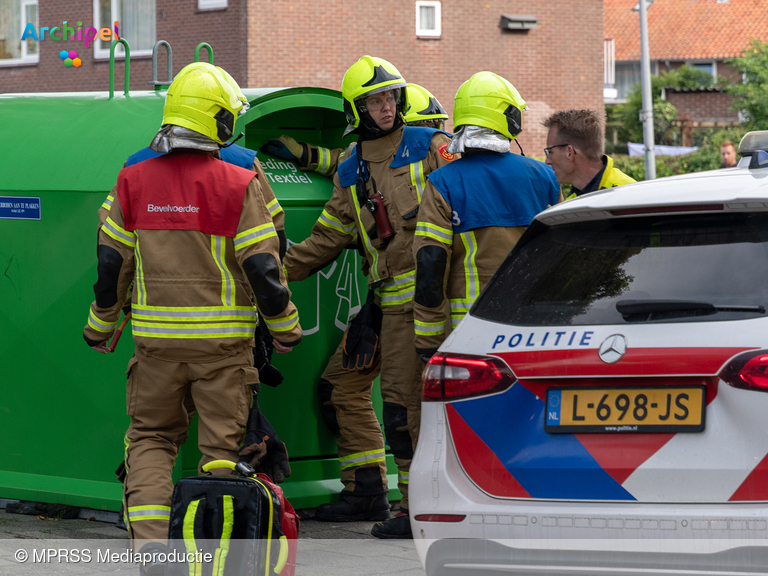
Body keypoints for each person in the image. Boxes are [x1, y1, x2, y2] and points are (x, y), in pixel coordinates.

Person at [82, 63, 302, 564]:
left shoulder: (133, 179)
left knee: (151, 441)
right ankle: (215, 559)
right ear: (219, 122)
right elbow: (264, 266)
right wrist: (286, 328)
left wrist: (101, 323)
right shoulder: (237, 181)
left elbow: (111, 260)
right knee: (221, 458)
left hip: (155, 346)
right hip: (223, 351)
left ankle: (154, 554)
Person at [281, 56, 454, 538]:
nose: (385, 107)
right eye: (374, 100)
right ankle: (366, 490)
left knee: (403, 405)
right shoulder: (353, 165)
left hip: (425, 306)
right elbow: (328, 236)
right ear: (357, 109)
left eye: (389, 98)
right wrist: (271, 274)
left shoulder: (431, 145)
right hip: (382, 306)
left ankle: (416, 510)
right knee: (342, 384)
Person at [413, 72, 561, 357]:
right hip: (534, 324)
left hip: (469, 331)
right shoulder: (545, 177)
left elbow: (430, 263)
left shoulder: (443, 182)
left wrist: (427, 341)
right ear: (509, 118)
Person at [262, 83, 449, 178]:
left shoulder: (441, 155)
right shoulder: (368, 153)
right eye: (425, 125)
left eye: (436, 124)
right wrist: (303, 153)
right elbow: (342, 160)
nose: (432, 133)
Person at [543, 109, 635, 200]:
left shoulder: (628, 194)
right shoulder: (573, 200)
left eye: (550, 152)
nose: (547, 161)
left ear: (569, 152)